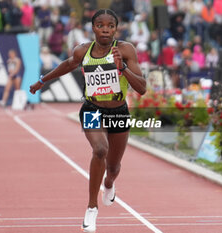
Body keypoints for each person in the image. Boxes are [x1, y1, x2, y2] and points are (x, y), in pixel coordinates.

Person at [29, 9, 146, 232]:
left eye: (110, 26)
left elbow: (142, 88)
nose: (105, 29)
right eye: (100, 25)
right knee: (100, 150)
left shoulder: (125, 50)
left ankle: (109, 183)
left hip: (119, 111)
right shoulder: (83, 51)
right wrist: (41, 81)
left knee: (113, 167)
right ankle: (92, 208)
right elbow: (67, 64)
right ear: (93, 28)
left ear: (115, 29)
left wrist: (123, 69)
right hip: (92, 108)